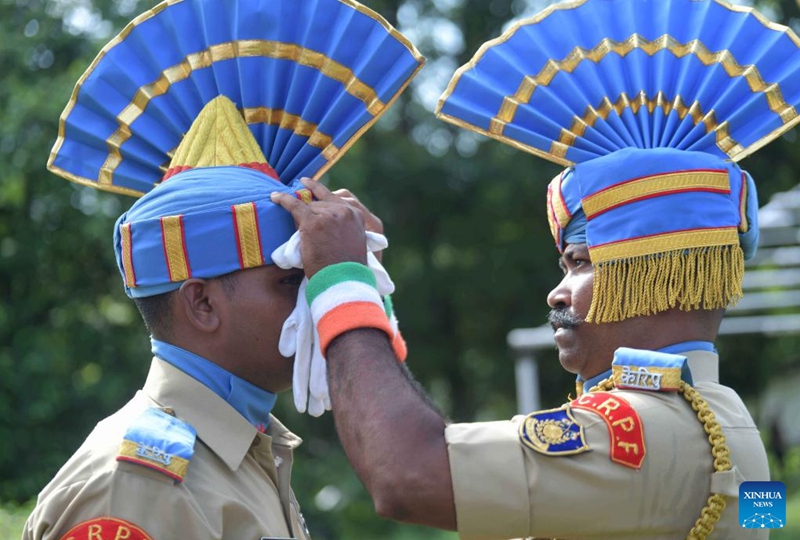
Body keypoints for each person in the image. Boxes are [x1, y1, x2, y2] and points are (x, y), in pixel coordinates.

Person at [271, 0, 800, 538]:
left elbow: (408, 475)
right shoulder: (730, 418)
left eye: (579, 264)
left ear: (653, 273)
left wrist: (343, 280)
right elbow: (763, 523)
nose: (557, 294)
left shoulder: (642, 430)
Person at [22, 0, 422, 537]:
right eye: (290, 281)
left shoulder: (247, 449)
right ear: (202, 303)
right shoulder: (139, 484)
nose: (315, 299)